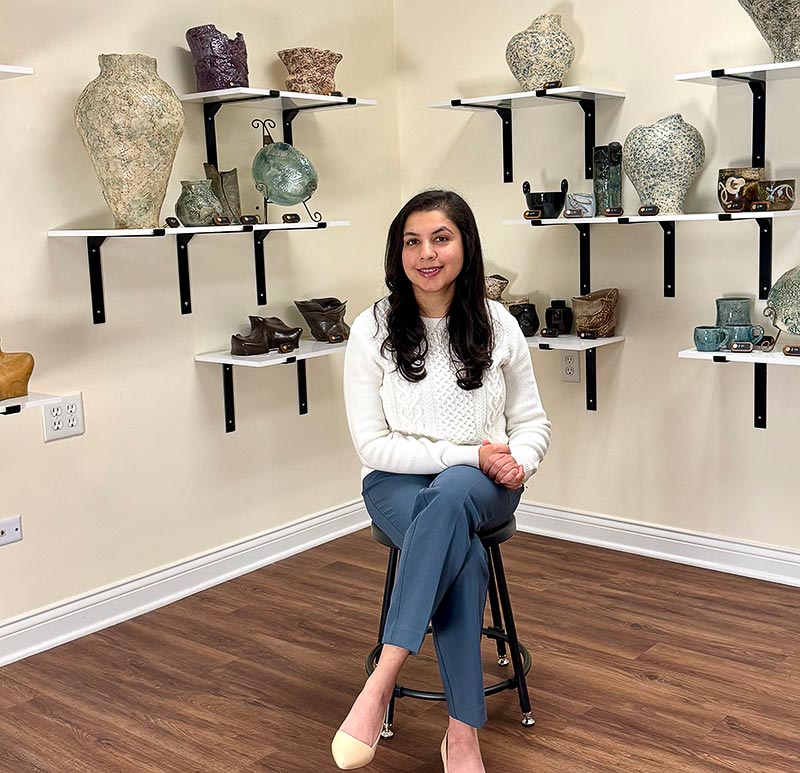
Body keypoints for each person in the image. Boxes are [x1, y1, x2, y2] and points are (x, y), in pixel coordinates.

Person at [333, 190, 551, 772]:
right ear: (397, 252)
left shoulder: (499, 323)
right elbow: (371, 444)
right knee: (464, 549)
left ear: (465, 246)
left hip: (484, 483)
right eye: (412, 241)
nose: (426, 254)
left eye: (441, 238)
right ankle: (461, 733)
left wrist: (517, 463)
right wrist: (471, 454)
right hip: (395, 483)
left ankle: (384, 676)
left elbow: (530, 422)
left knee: (453, 493)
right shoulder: (370, 329)